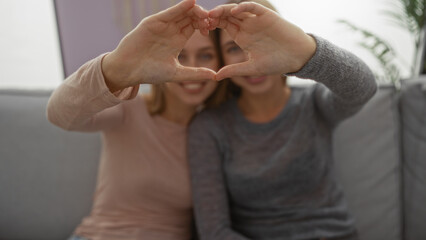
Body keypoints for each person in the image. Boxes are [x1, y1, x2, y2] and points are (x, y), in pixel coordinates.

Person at [188, 1, 378, 240]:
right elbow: (214, 231)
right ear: (222, 59)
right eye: (234, 48)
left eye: (260, 40)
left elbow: (364, 88)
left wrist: (305, 51)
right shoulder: (210, 127)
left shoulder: (312, 103)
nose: (251, 57)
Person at [46, 0, 226, 239]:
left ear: (220, 63)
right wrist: (115, 66)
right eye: (180, 55)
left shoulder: (215, 130)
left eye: (205, 55)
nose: (192, 68)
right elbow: (59, 115)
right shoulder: (129, 108)